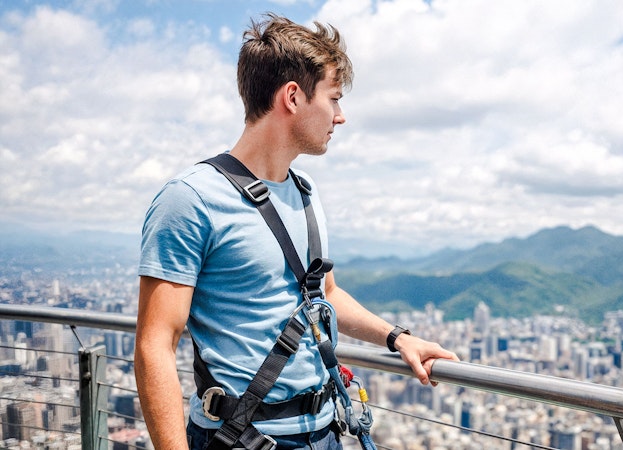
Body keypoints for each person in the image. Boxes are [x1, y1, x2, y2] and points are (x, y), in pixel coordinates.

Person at [134, 14, 459, 450]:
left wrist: (398, 338)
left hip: (326, 430)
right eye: (334, 98)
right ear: (292, 97)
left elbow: (324, 294)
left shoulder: (305, 193)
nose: (340, 117)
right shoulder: (191, 198)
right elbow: (155, 343)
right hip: (238, 438)